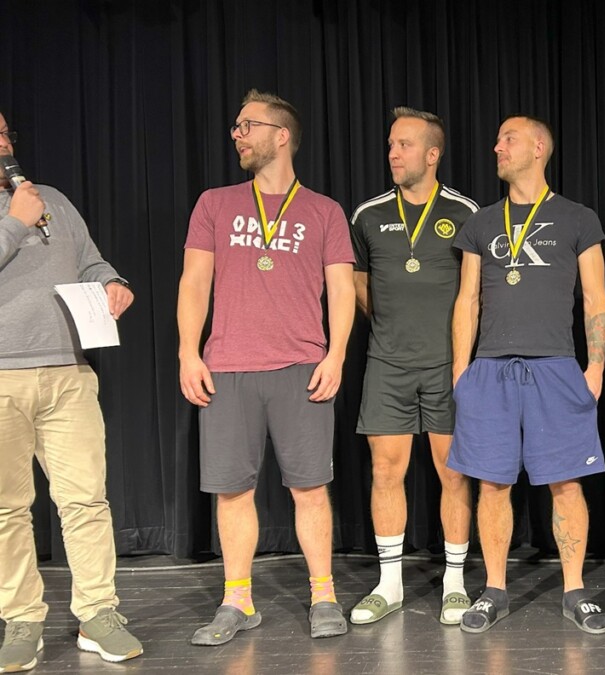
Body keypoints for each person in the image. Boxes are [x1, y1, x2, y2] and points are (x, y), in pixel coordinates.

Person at [178, 89, 356, 645]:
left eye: (246, 125)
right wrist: (188, 351)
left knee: (310, 488)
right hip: (228, 367)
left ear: (281, 135)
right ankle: (237, 601)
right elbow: (194, 282)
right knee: (232, 491)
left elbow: (342, 290)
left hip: (301, 367)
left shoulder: (324, 211)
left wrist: (336, 354)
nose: (236, 134)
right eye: (235, 126)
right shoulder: (214, 203)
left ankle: (323, 595)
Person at [448, 115, 605, 635]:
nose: (497, 147)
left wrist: (596, 366)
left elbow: (596, 297)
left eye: (509, 139)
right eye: (498, 139)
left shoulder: (578, 218)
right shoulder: (481, 223)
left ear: (539, 147)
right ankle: (494, 590)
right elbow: (467, 300)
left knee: (566, 482)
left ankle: (574, 591)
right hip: (491, 369)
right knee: (492, 483)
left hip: (556, 367)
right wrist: (461, 371)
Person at [0, 112, 143, 669]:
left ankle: (98, 614)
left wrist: (112, 282)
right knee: (7, 510)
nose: (4, 144)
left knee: (85, 500)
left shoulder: (51, 199)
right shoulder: (24, 208)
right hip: (2, 378)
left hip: (69, 374)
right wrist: (15, 223)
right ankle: (21, 620)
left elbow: (89, 260)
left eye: (7, 133)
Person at [348, 107, 477, 626]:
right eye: (390, 145)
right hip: (388, 364)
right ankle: (390, 585)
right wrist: (388, 326)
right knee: (385, 471)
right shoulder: (368, 215)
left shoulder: (465, 212)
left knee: (454, 473)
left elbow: (477, 292)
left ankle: (454, 583)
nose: (393, 154)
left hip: (448, 365)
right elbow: (358, 282)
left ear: (432, 153)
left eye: (403, 145)